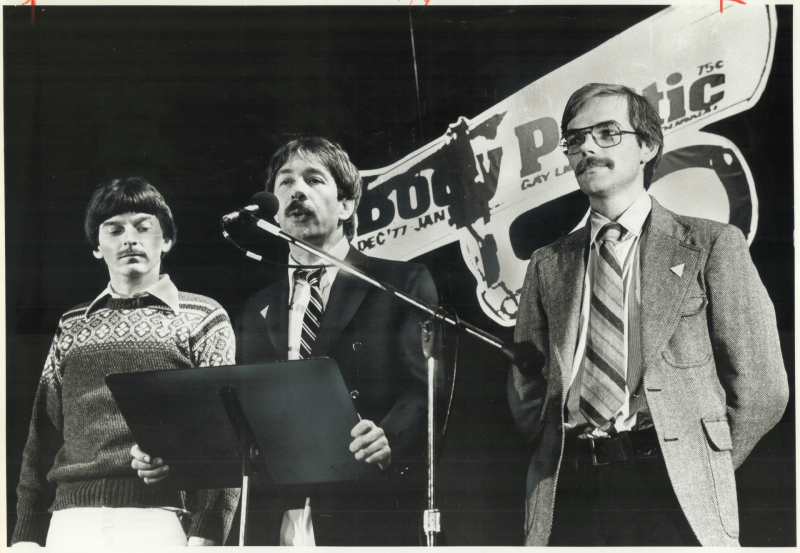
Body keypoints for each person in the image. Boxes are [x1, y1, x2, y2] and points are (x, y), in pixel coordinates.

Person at [507, 83, 789, 547]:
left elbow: (764, 390)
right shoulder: (547, 264)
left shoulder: (713, 245)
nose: (588, 148)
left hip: (672, 495)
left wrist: (699, 464)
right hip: (568, 491)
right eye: (574, 140)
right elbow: (527, 387)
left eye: (606, 133)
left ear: (648, 145)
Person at [134, 137, 438, 546]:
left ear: (346, 205)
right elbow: (235, 417)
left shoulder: (399, 284)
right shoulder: (256, 307)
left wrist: (390, 436)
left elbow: (426, 388)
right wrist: (170, 454)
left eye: (314, 180)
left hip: (364, 507)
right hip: (273, 514)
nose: (297, 191)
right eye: (285, 183)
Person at [12, 177, 239, 548]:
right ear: (97, 248)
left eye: (143, 227)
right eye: (114, 229)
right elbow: (42, 437)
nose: (129, 238)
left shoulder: (204, 316)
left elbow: (225, 436)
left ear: (166, 240)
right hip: (69, 522)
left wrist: (208, 533)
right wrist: (25, 537)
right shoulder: (71, 324)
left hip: (162, 521)